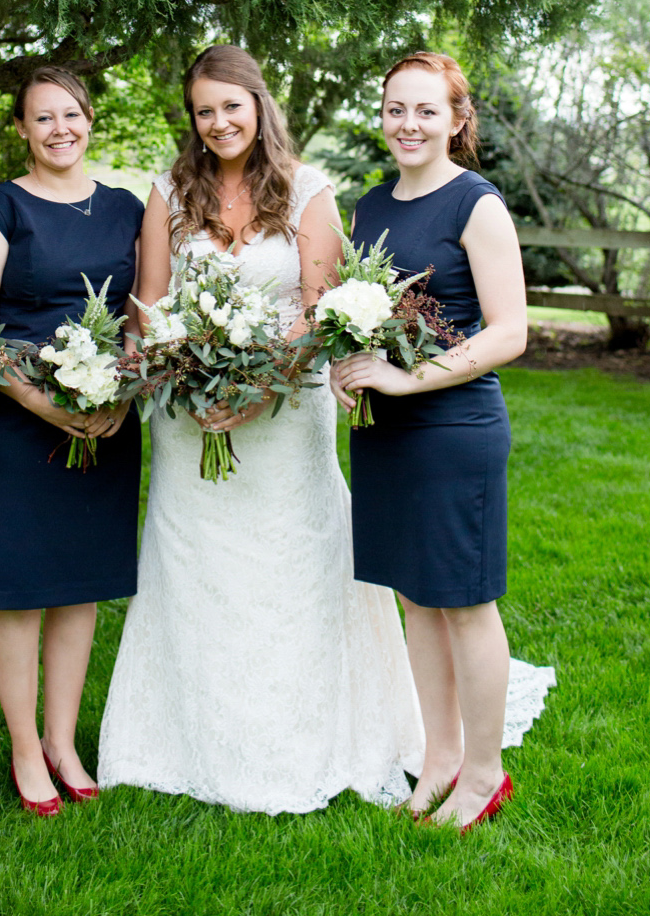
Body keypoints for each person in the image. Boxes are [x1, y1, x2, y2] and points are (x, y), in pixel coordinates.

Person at [95, 45, 424, 812]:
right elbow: (148, 308)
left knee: (290, 563)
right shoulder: (168, 193)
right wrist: (176, 378)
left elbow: (318, 314)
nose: (217, 123)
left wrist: (256, 392)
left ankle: (304, 734)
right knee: (199, 566)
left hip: (285, 415)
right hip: (190, 414)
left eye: (230, 106)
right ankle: (181, 737)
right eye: (203, 111)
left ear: (258, 104)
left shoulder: (309, 190)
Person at [330, 52, 552, 831]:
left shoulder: (476, 204)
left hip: (455, 430)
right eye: (396, 108)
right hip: (386, 436)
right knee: (416, 600)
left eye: (426, 110)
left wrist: (404, 379)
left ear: (458, 120)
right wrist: (348, 365)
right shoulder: (367, 207)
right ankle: (441, 760)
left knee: (463, 603)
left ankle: (486, 774)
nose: (408, 124)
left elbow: (512, 332)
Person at [0, 68, 144, 815]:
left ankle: (63, 741)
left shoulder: (127, 207)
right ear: (22, 131)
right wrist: (42, 401)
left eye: (71, 114)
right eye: (43, 118)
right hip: (15, 423)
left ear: (90, 120)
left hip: (105, 420)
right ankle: (25, 747)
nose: (60, 129)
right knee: (20, 593)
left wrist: (120, 396)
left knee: (79, 588)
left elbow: (140, 316)